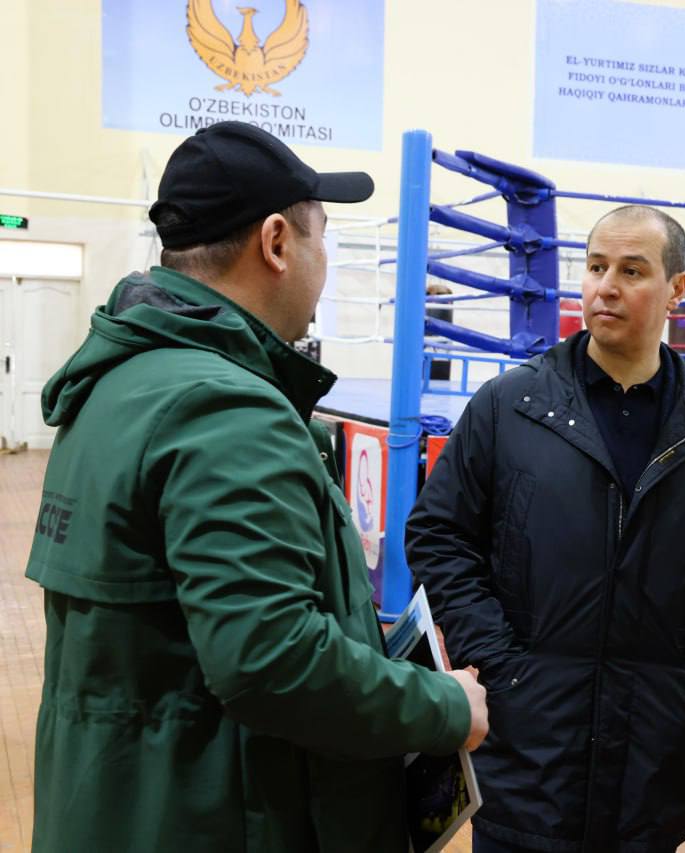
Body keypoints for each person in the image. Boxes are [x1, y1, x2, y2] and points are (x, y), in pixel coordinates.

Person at [25, 120, 487, 852]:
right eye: (321, 237)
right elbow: (272, 658)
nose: (324, 261)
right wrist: (443, 706)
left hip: (128, 803)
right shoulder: (225, 411)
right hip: (215, 820)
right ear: (276, 243)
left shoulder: (120, 383)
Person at [406, 204, 685, 852]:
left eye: (631, 270)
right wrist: (500, 663)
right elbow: (438, 534)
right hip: (527, 751)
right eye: (595, 267)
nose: (606, 286)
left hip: (655, 761)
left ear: (676, 288)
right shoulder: (508, 408)